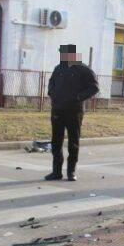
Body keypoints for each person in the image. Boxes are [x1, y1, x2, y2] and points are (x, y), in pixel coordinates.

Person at [45, 44, 98, 181]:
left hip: (74, 111)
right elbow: (51, 83)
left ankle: (71, 171)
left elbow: (94, 87)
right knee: (56, 141)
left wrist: (78, 97)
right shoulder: (59, 68)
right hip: (58, 109)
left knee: (73, 141)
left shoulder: (83, 69)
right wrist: (52, 94)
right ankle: (56, 172)